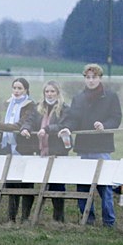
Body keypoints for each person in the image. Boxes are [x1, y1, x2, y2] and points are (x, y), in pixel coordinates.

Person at [58, 64, 122, 227]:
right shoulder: (78, 98)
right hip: (83, 148)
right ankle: (88, 219)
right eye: (88, 77)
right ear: (84, 79)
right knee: (83, 187)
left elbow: (116, 118)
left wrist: (105, 125)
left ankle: (109, 221)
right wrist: (68, 128)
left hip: (102, 148)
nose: (91, 80)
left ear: (100, 78)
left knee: (105, 187)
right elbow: (73, 119)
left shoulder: (111, 96)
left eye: (94, 77)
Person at [0, 78, 37, 222]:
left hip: (23, 149)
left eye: (19, 88)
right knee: (10, 184)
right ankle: (11, 218)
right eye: (14, 88)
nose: (16, 91)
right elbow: (6, 125)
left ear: (26, 90)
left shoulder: (30, 105)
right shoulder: (9, 104)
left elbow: (18, 125)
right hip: (7, 148)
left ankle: (25, 217)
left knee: (26, 184)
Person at [25, 80, 70, 222]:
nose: (49, 94)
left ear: (58, 93)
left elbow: (63, 124)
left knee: (57, 185)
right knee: (36, 183)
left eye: (52, 91)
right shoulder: (38, 108)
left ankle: (58, 218)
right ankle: (30, 217)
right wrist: (25, 128)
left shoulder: (64, 109)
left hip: (58, 151)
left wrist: (46, 129)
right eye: (47, 91)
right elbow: (29, 121)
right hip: (40, 152)